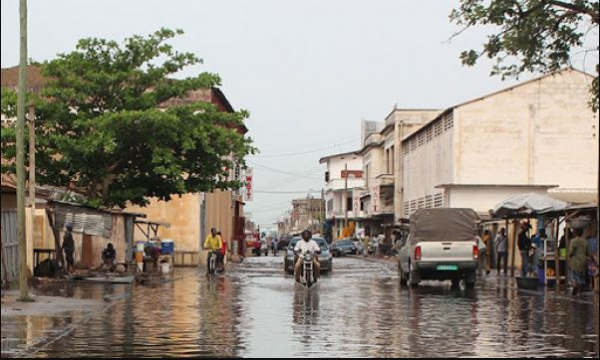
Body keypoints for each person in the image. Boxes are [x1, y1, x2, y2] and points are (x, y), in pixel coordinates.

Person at [569, 228, 589, 296]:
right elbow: (588, 253)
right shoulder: (585, 242)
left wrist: (569, 256)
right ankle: (579, 291)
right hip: (583, 261)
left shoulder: (573, 241)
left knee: (573, 276)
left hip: (575, 262)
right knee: (581, 277)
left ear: (575, 233)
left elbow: (571, 252)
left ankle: (575, 286)